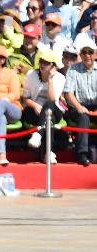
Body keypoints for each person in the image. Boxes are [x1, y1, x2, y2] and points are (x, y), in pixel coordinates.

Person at [22, 49, 65, 161]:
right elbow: (25, 98)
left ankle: (38, 134)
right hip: (33, 109)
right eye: (41, 61)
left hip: (53, 109)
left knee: (49, 108)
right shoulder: (31, 75)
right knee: (49, 119)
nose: (42, 65)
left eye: (46, 63)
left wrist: (50, 80)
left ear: (53, 66)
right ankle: (49, 153)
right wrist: (35, 105)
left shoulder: (60, 78)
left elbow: (52, 99)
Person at [62, 37, 97, 166]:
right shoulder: (73, 69)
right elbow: (68, 93)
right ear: (80, 55)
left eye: (90, 52)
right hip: (78, 104)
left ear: (95, 54)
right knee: (83, 117)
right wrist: (78, 107)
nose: (87, 55)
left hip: (95, 104)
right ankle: (82, 153)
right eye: (84, 52)